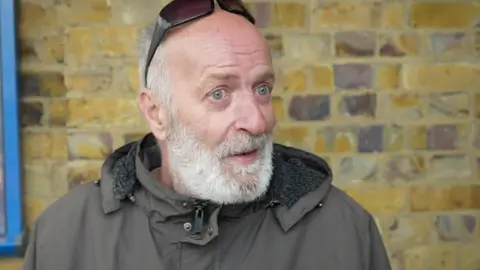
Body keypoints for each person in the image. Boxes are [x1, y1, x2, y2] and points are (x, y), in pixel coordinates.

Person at [23, 0, 392, 269]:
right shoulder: (64, 239)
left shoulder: (343, 233)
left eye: (262, 89)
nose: (257, 121)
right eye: (219, 93)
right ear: (157, 113)